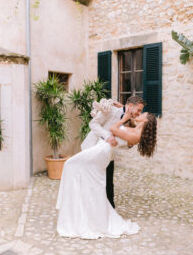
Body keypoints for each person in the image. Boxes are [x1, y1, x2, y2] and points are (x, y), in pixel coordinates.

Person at [56, 102, 157, 239]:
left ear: (145, 120)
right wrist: (123, 108)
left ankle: (89, 218)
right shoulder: (136, 129)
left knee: (70, 165)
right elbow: (130, 115)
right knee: (85, 178)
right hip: (100, 149)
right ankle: (80, 213)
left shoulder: (135, 135)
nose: (139, 114)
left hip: (102, 151)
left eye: (142, 114)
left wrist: (123, 119)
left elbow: (113, 129)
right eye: (139, 111)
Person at [81, 95, 146, 208]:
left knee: (109, 183)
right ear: (131, 106)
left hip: (108, 154)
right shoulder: (110, 110)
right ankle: (90, 207)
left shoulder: (131, 120)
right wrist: (107, 137)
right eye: (139, 110)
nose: (139, 113)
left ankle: (110, 210)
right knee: (93, 182)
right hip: (93, 149)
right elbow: (93, 124)